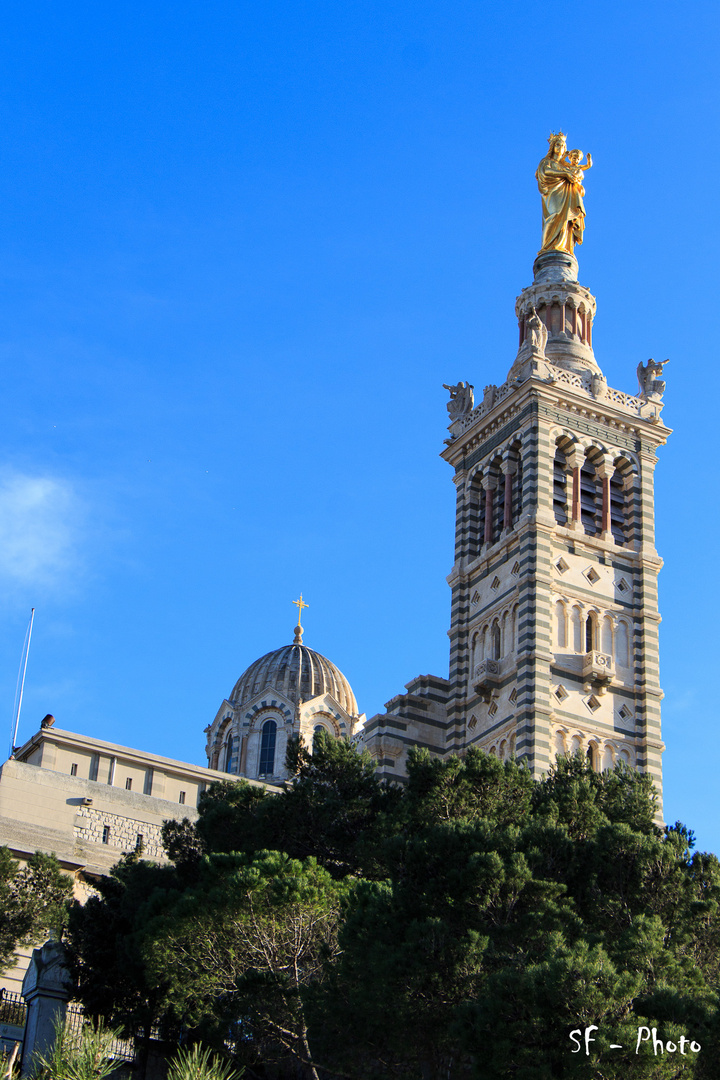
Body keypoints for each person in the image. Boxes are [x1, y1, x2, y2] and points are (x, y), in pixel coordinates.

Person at [536, 133, 591, 255]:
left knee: (566, 220)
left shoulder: (566, 166)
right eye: (558, 145)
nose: (560, 147)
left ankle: (563, 245)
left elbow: (578, 173)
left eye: (563, 145)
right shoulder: (546, 161)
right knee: (554, 216)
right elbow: (545, 172)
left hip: (567, 194)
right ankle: (547, 246)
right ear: (553, 147)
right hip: (554, 192)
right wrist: (564, 174)